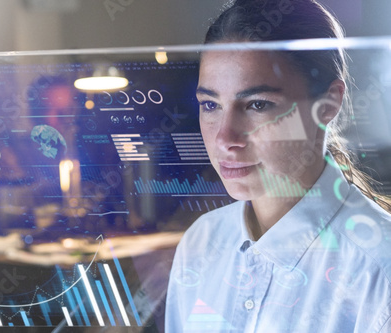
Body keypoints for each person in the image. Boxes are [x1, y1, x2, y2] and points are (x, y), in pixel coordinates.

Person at [165, 0, 391, 332]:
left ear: (328, 105)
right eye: (210, 105)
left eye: (257, 104)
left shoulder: (379, 269)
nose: (225, 138)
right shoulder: (201, 242)